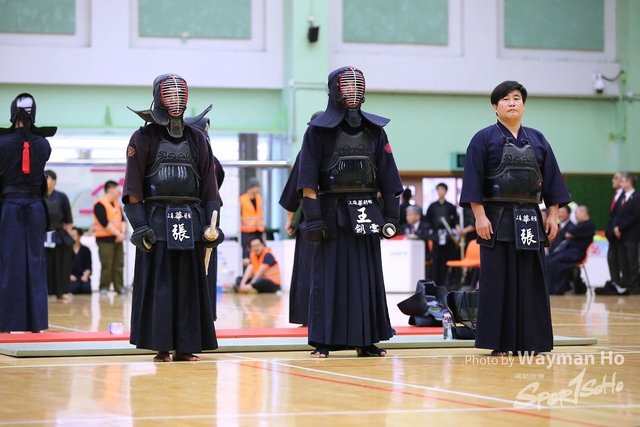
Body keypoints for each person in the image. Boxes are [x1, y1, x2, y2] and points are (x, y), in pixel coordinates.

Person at [297, 66, 403, 358]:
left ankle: (366, 340)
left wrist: (391, 218)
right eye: (347, 86)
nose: (353, 91)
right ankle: (323, 341)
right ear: (335, 91)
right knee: (328, 277)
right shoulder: (317, 131)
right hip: (331, 213)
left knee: (366, 278)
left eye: (358, 86)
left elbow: (390, 179)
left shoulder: (375, 130)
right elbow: (308, 181)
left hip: (367, 212)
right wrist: (313, 219)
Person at [460, 80, 570, 356]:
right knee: (498, 281)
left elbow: (552, 181)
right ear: (495, 107)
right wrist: (479, 216)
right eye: (505, 99)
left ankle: (532, 342)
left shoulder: (538, 139)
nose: (512, 103)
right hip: (496, 219)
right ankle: (499, 343)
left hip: (530, 217)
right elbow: (473, 180)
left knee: (532, 281)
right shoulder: (483, 138)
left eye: (517, 98)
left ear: (523, 105)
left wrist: (552, 215)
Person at [123, 73, 224, 362]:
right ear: (158, 97)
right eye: (170, 93)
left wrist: (212, 224)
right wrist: (139, 225)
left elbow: (209, 188)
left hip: (191, 220)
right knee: (161, 287)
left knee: (189, 288)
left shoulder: (197, 139)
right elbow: (133, 187)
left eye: (181, 93)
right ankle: (161, 346)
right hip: (156, 221)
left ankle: (186, 346)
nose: (176, 99)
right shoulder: (142, 138)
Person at [0, 93, 54, 332]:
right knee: (35, 262)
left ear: (13, 112)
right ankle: (36, 323)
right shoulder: (44, 144)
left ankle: (8, 322)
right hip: (35, 208)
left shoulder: (2, 143)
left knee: (8, 262)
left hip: (10, 207)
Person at [279, 111, 323, 326]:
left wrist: (290, 219)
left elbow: (295, 188)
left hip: (310, 220)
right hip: (336, 218)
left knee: (308, 268)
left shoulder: (307, 151)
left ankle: (307, 316)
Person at [186, 114, 225, 320]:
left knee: (205, 265)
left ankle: (202, 315)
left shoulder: (211, 160)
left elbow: (215, 186)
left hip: (205, 219)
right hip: (191, 219)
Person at [546, 205, 595, 295]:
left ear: (583, 213)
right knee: (548, 259)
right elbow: (568, 234)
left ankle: (556, 290)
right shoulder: (579, 225)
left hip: (576, 254)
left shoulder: (588, 225)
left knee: (554, 262)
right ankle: (549, 288)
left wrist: (571, 234)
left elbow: (569, 233)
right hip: (569, 252)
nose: (575, 216)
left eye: (576, 213)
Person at [44, 170, 74, 301]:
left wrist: (69, 236)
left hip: (58, 234)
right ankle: (43, 291)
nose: (45, 181)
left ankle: (60, 292)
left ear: (54, 181)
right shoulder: (38, 196)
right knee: (44, 264)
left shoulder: (62, 197)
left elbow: (68, 219)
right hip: (41, 234)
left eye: (47, 178)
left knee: (60, 264)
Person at [93, 180, 126, 295]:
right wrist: (118, 234)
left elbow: (122, 220)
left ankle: (119, 287)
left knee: (119, 264)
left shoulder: (116, 203)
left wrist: (122, 234)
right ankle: (104, 287)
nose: (118, 192)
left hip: (118, 239)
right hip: (105, 240)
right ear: (110, 189)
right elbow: (105, 223)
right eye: (117, 189)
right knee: (107, 265)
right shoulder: (99, 204)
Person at [425, 182, 458, 288]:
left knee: (447, 259)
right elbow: (427, 221)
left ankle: (448, 283)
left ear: (445, 191)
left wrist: (458, 231)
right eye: (439, 190)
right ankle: (435, 283)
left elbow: (455, 222)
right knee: (436, 260)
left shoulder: (450, 206)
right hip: (436, 237)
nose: (440, 192)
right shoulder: (432, 206)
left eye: (442, 190)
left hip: (448, 237)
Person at [611, 173, 639, 295]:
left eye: (623, 181)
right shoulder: (620, 198)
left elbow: (634, 216)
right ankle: (626, 284)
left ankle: (635, 286)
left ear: (629, 183)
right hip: (620, 235)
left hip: (631, 235)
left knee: (632, 261)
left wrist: (620, 228)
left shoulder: (636, 197)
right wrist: (616, 228)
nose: (620, 183)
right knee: (623, 261)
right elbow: (616, 215)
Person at [603, 172, 624, 289]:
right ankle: (615, 282)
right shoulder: (616, 195)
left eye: (616, 178)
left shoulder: (625, 196)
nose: (613, 180)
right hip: (612, 235)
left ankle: (624, 284)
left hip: (621, 234)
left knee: (622, 260)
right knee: (611, 259)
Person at [402, 205, 433, 278]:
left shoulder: (425, 226)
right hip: (407, 254)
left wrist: (416, 237)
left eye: (410, 215)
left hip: (423, 254)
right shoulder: (405, 227)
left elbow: (427, 237)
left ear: (418, 216)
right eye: (407, 215)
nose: (407, 217)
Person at [239, 177, 265, 266]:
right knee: (246, 250)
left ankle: (258, 265)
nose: (258, 189)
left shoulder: (259, 198)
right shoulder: (242, 199)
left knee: (259, 249)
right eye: (257, 187)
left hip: (258, 229)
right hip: (246, 229)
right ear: (251, 187)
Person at [69, 227, 92, 294]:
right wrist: (69, 275)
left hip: (82, 275)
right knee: (73, 288)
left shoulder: (86, 250)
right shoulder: (67, 250)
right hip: (71, 276)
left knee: (86, 288)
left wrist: (85, 276)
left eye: (74, 235)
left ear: (79, 236)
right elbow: (63, 266)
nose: (72, 238)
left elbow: (89, 266)